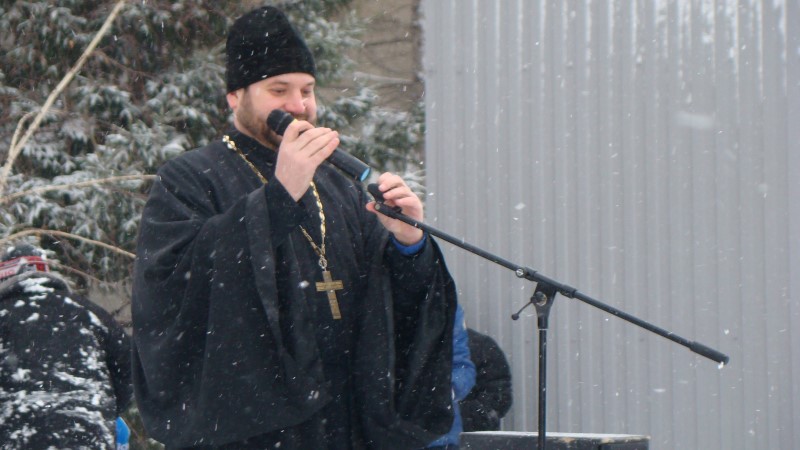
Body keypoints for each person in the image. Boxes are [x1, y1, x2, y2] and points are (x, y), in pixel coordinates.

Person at [131, 6, 458, 449]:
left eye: (307, 90)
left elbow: (392, 305)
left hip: (348, 421)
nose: (298, 106)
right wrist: (278, 197)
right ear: (235, 97)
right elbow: (178, 288)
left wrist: (409, 242)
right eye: (278, 90)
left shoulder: (339, 185)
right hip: (259, 428)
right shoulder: (189, 178)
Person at [0, 243, 132, 449]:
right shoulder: (88, 313)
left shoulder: (3, 315)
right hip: (86, 431)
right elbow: (129, 370)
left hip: (17, 434)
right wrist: (104, 410)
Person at [425, 304, 476, 450]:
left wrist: (444, 391)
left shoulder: (444, 304)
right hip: (382, 434)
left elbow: (463, 368)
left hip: (439, 437)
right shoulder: (373, 300)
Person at [459, 328, 513, 432]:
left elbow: (499, 397)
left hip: (472, 435)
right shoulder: (481, 345)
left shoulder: (481, 346)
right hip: (468, 431)